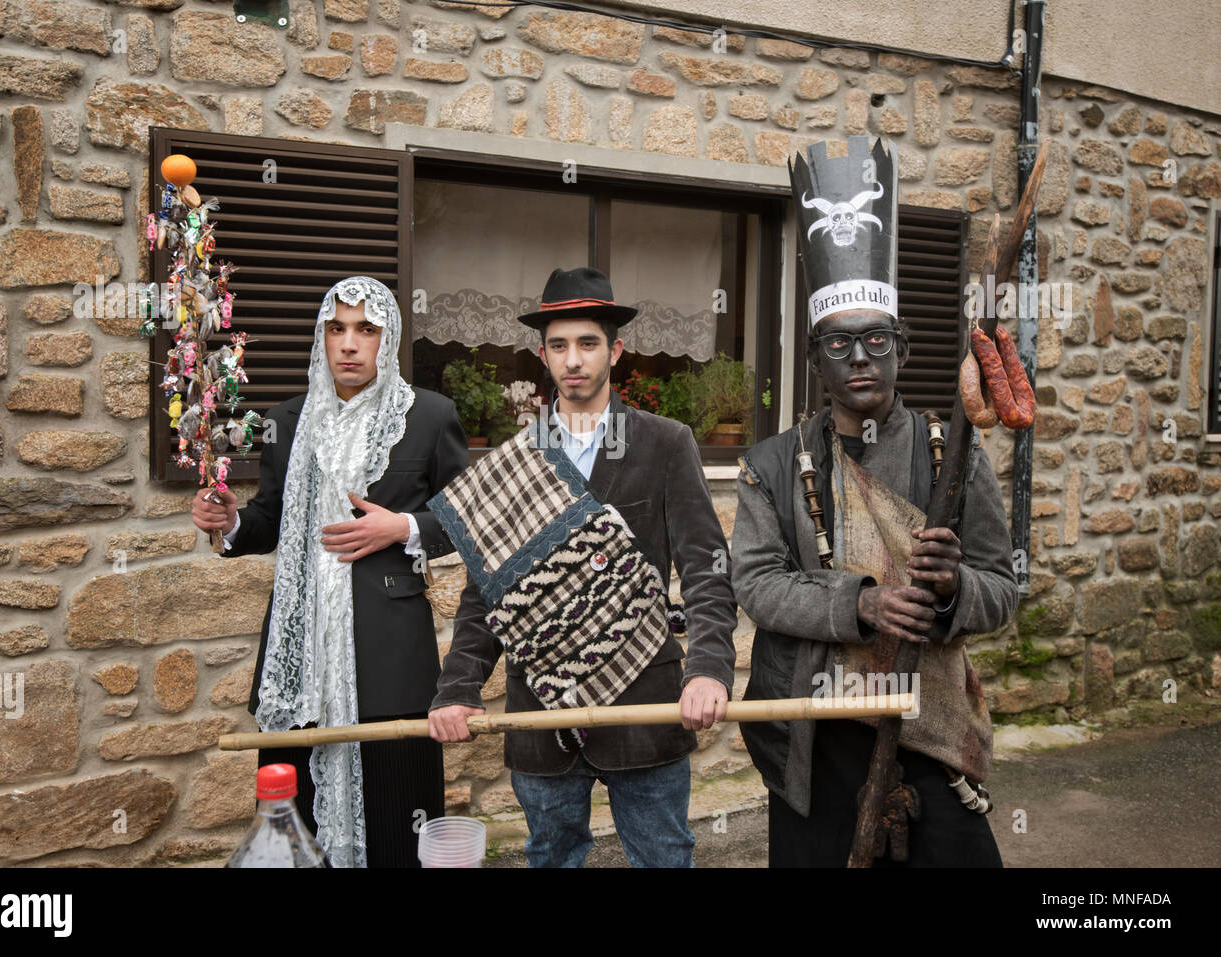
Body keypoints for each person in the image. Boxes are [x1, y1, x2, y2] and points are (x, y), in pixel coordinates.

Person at [732, 136, 1020, 867]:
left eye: (875, 342)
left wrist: (954, 589)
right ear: (815, 357)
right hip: (812, 731)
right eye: (838, 345)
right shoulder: (772, 464)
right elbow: (756, 582)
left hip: (926, 724)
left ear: (903, 348)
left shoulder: (951, 457)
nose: (858, 358)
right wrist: (860, 603)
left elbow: (1002, 587)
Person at [426, 266, 738, 867]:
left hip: (645, 701)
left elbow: (706, 568)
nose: (574, 360)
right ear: (542, 355)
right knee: (551, 857)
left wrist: (709, 670)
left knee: (664, 857)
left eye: (588, 343)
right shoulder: (518, 459)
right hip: (541, 710)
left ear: (615, 350)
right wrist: (459, 687)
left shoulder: (666, 442)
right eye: (560, 346)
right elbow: (486, 592)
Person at [192, 276, 469, 868]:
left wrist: (403, 528)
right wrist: (232, 522)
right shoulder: (287, 420)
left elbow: (468, 520)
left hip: (389, 654)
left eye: (365, 330)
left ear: (387, 339)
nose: (349, 344)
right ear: (321, 338)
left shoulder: (428, 416)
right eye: (336, 329)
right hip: (302, 654)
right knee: (300, 816)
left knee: (398, 810)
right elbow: (270, 517)